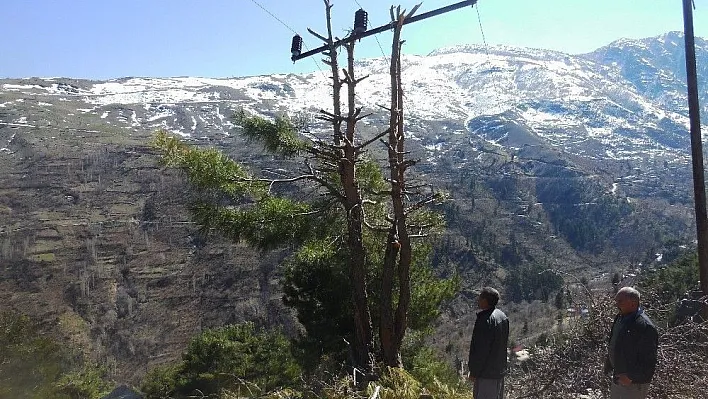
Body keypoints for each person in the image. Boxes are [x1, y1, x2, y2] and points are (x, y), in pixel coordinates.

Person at [604, 287, 659, 399]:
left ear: (633, 303)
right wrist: (609, 365)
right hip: (619, 378)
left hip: (634, 384)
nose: (616, 304)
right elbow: (615, 343)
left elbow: (649, 361)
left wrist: (630, 377)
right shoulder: (620, 319)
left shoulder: (645, 327)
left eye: (620, 301)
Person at [468, 287, 509, 399]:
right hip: (498, 371)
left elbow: (481, 351)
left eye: (480, 297)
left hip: (486, 374)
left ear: (485, 300)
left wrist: (474, 372)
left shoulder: (485, 321)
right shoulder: (502, 316)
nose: (478, 299)